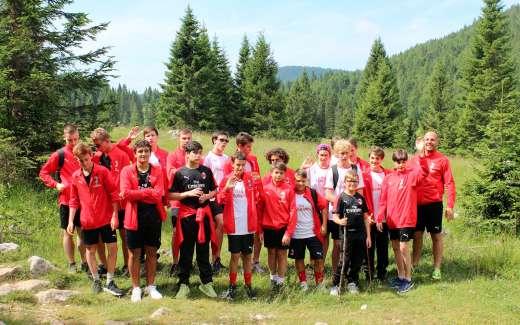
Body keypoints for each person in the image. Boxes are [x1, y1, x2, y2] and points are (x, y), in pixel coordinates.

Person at [67, 143, 124, 296]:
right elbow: (73, 200)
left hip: (106, 219)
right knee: (90, 250)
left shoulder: (102, 172)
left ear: (91, 156)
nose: (84, 163)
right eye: (81, 161)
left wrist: (114, 215)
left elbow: (114, 194)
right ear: (76, 160)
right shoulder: (75, 177)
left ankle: (110, 280)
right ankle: (96, 280)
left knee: (112, 248)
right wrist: (71, 221)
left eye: (86, 159)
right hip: (88, 220)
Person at [376, 146, 429, 294]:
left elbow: (425, 172)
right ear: (394, 162)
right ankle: (400, 276)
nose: (401, 164)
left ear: (406, 162)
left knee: (404, 247)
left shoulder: (412, 175)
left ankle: (408, 279)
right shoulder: (388, 178)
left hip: (407, 219)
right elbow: (383, 200)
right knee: (395, 248)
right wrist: (380, 216)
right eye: (398, 162)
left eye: (403, 161)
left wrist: (423, 157)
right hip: (392, 220)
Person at [169, 141, 218, 299]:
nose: (199, 156)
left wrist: (207, 196)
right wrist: (187, 194)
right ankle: (183, 284)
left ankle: (207, 283)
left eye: (200, 152)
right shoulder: (179, 173)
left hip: (203, 216)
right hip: (186, 217)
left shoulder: (206, 171)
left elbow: (215, 190)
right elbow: (170, 195)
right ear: (187, 154)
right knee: (186, 251)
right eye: (195, 153)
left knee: (203, 250)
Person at [120, 140, 167, 302]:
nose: (143, 154)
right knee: (134, 253)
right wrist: (148, 192)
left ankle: (151, 285)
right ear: (135, 153)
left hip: (153, 216)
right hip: (133, 215)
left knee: (152, 251)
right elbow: (125, 193)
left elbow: (159, 194)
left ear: (150, 153)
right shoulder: (127, 171)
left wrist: (139, 193)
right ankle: (135, 288)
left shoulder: (158, 171)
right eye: (140, 151)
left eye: (146, 151)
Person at [39, 124, 87, 272]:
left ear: (78, 136)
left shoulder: (83, 152)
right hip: (66, 200)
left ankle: (85, 262)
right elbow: (43, 173)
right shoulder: (59, 155)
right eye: (70, 140)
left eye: (75, 139)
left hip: (84, 200)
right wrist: (56, 184)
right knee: (68, 232)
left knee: (83, 232)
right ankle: (72, 263)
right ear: (64, 138)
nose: (73, 143)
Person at [410, 132, 456, 280]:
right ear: (423, 142)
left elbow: (449, 183)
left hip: (434, 204)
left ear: (437, 142)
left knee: (436, 236)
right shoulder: (414, 159)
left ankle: (437, 268)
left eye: (432, 140)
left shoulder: (443, 160)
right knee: (417, 235)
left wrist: (449, 206)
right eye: (427, 139)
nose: (429, 142)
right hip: (416, 204)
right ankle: (414, 265)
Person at [217, 152, 260, 300]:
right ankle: (232, 286)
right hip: (234, 225)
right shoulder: (226, 179)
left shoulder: (250, 179)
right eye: (237, 165)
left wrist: (258, 184)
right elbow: (219, 200)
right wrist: (226, 188)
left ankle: (248, 286)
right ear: (232, 164)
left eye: (243, 165)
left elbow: (258, 197)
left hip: (248, 225)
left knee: (247, 256)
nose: (240, 168)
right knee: (235, 256)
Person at [90, 128, 132, 276]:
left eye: (99, 145)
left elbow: (128, 176)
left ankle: (128, 265)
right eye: (95, 146)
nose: (97, 148)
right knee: (103, 235)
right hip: (104, 204)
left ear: (107, 141)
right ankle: (106, 266)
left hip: (121, 202)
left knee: (125, 234)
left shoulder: (121, 155)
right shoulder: (97, 156)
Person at [223, 132, 264, 274]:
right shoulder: (230, 162)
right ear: (239, 146)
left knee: (250, 247)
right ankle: (233, 281)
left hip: (250, 211)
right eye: (248, 146)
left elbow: (257, 179)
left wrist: (258, 197)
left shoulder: (252, 160)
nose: (250, 149)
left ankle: (253, 266)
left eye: (251, 146)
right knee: (235, 252)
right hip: (235, 212)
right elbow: (226, 187)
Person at [330, 170, 371, 296]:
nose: (352, 183)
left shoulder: (360, 198)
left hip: (361, 234)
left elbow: (366, 218)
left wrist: (368, 236)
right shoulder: (341, 198)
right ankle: (336, 284)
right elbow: (335, 217)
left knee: (357, 260)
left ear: (357, 182)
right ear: (345, 183)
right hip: (347, 234)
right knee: (344, 260)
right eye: (349, 181)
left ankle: (352, 282)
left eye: (354, 181)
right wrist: (340, 221)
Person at [257, 162, 296, 293]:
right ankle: (272, 278)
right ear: (271, 173)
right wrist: (260, 230)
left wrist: (288, 233)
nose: (278, 175)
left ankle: (281, 281)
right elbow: (260, 209)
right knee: (271, 252)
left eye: (281, 173)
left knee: (281, 253)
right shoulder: (265, 188)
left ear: (285, 174)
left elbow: (293, 211)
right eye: (276, 172)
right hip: (268, 227)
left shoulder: (289, 190)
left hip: (283, 228)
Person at [287, 169, 328, 291]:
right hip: (296, 234)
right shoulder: (290, 193)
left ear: (307, 181)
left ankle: (319, 283)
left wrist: (324, 225)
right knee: (299, 258)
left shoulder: (313, 193)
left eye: (303, 181)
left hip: (313, 233)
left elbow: (324, 207)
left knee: (319, 259)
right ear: (294, 180)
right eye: (298, 180)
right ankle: (303, 283)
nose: (300, 183)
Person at [324, 139, 356, 276]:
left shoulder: (354, 168)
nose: (344, 156)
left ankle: (348, 273)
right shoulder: (333, 170)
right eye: (341, 153)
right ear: (336, 154)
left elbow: (359, 191)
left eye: (346, 153)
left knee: (349, 245)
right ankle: (336, 273)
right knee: (337, 244)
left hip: (352, 214)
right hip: (335, 215)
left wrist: (353, 205)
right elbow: (327, 193)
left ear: (350, 153)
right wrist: (341, 203)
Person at [362, 146, 392, 281]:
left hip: (384, 218)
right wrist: (367, 215)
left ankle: (382, 272)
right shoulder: (364, 175)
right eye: (372, 158)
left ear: (382, 159)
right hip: (369, 216)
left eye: (377, 158)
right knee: (369, 245)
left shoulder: (388, 174)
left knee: (382, 245)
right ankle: (369, 273)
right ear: (369, 158)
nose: (374, 161)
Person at [166, 128, 193, 275]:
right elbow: (172, 174)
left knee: (191, 233)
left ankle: (187, 261)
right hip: (177, 201)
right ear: (179, 139)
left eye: (189, 138)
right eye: (184, 138)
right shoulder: (172, 156)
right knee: (176, 232)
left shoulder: (195, 154)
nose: (186, 141)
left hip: (193, 202)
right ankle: (175, 262)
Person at [203, 131, 230, 274]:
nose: (224, 143)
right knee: (217, 224)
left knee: (221, 227)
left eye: (226, 141)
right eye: (221, 140)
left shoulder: (227, 158)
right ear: (214, 140)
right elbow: (204, 178)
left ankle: (216, 258)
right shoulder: (208, 158)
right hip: (212, 197)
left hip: (224, 196)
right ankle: (209, 259)